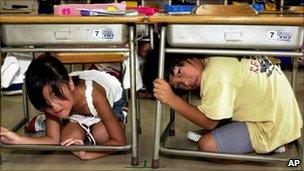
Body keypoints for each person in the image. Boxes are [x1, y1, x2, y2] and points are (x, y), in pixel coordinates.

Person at [143, 53, 303, 155]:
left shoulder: (215, 75)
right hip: (285, 115)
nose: (186, 81)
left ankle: (272, 146)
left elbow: (209, 122)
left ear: (185, 55)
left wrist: (172, 99)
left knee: (207, 145)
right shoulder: (215, 58)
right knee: (216, 114)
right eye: (178, 85)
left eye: (179, 72)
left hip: (270, 126)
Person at [0, 53, 127, 160]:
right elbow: (52, 140)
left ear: (70, 85)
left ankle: (120, 116)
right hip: (75, 108)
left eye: (56, 95)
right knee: (68, 141)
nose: (54, 107)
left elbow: (120, 142)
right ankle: (64, 124)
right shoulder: (49, 99)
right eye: (46, 104)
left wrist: (87, 154)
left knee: (102, 136)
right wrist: (18, 139)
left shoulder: (95, 95)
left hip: (109, 98)